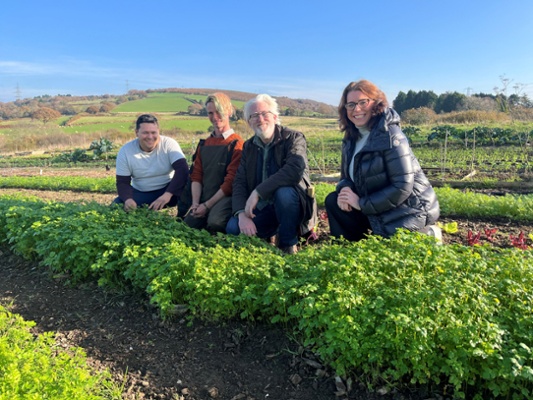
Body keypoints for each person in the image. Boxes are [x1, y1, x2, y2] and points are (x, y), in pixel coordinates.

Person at [325, 79, 441, 242]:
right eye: (350, 104)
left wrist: (361, 203)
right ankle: (349, 250)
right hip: (374, 204)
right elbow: (346, 177)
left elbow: (402, 187)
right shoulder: (351, 138)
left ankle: (426, 233)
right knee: (333, 200)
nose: (356, 109)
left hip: (406, 209)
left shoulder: (391, 135)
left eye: (363, 102)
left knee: (395, 256)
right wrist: (345, 191)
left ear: (376, 103)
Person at [226, 94, 317, 254]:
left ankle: (288, 245)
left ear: (275, 116)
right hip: (264, 208)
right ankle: (265, 240)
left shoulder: (293, 138)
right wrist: (241, 214)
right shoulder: (249, 146)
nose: (260, 119)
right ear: (249, 122)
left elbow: (294, 170)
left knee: (284, 193)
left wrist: (258, 192)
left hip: (293, 207)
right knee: (233, 227)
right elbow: (239, 181)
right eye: (254, 116)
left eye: (264, 113)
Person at [182, 92, 244, 232]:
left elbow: (230, 183)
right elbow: (196, 175)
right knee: (188, 225)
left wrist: (207, 206)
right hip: (205, 196)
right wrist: (196, 204)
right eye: (210, 113)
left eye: (219, 112)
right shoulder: (204, 144)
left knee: (215, 222)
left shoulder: (237, 143)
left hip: (225, 198)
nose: (215, 117)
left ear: (228, 112)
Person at [113, 113, 188, 212]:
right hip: (142, 193)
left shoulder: (169, 144)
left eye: (153, 132)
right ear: (136, 132)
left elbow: (183, 169)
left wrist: (167, 194)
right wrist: (128, 199)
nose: (150, 136)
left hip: (169, 190)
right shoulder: (125, 151)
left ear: (158, 132)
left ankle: (182, 219)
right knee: (116, 206)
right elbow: (122, 182)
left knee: (189, 190)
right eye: (145, 133)